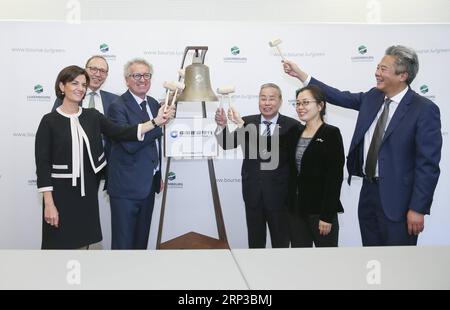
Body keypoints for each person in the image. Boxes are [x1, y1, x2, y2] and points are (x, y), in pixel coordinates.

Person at [283, 45, 442, 246]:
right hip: (368, 193)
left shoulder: (424, 110)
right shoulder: (372, 97)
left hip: (400, 202)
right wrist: (301, 75)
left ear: (402, 75)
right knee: (372, 256)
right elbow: (338, 96)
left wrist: (418, 208)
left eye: (383, 69)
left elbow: (427, 165)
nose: (377, 73)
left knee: (398, 263)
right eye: (377, 67)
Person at [35, 65, 174, 249]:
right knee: (58, 248)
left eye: (84, 85)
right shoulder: (49, 121)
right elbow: (43, 165)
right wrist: (49, 204)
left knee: (86, 246)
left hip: (87, 196)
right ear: (62, 86)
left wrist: (156, 122)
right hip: (60, 196)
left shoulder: (93, 116)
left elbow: (123, 132)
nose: (80, 88)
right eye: (74, 83)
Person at [215, 83, 301, 248]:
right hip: (253, 194)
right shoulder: (248, 121)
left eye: (271, 98)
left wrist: (242, 126)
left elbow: (268, 151)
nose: (267, 103)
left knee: (281, 243)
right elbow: (226, 143)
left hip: (280, 197)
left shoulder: (292, 126)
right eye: (263, 98)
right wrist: (222, 126)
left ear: (280, 101)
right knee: (255, 243)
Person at [107, 58, 165, 249]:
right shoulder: (117, 106)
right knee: (123, 247)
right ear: (127, 79)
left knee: (141, 245)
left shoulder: (154, 103)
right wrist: (157, 125)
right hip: (125, 189)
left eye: (146, 75)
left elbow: (155, 145)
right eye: (137, 75)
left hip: (149, 186)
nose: (142, 79)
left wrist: (158, 172)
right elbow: (129, 144)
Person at [288, 85, 344, 247]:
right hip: (296, 211)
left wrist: (327, 216)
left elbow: (335, 178)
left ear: (320, 106)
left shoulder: (331, 134)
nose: (300, 107)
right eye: (297, 103)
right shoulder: (294, 132)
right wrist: (242, 124)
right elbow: (269, 146)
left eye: (305, 102)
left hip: (320, 213)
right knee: (300, 263)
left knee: (327, 264)